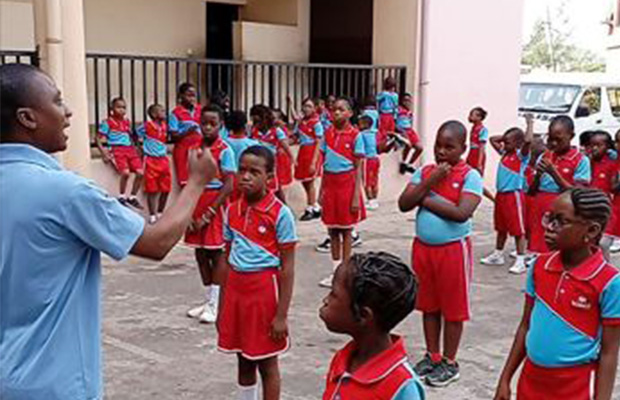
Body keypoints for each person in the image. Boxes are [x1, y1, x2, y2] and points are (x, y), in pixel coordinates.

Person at [0, 63, 216, 400]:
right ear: (28, 118)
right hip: (53, 385)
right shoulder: (66, 192)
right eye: (57, 102)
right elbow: (156, 243)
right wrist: (197, 183)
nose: (69, 112)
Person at [494, 188, 620, 400]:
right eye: (549, 218)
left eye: (561, 221)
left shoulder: (609, 282)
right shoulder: (539, 266)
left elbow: (609, 352)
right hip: (530, 381)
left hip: (572, 387)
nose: (549, 228)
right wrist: (505, 379)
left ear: (591, 231)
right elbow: (526, 325)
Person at [398, 120, 483, 387]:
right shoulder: (426, 171)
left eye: (450, 146)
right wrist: (430, 182)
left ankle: (449, 361)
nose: (442, 151)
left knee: (453, 309)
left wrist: (422, 197)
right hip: (424, 250)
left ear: (463, 148)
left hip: (453, 251)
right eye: (438, 145)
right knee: (429, 305)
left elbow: (461, 213)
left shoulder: (471, 176)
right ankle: (432, 355)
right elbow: (403, 204)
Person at [217, 145, 297, 400]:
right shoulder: (232, 211)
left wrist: (281, 315)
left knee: (267, 363)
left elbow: (288, 268)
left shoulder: (280, 214)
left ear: (270, 178)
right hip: (236, 292)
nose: (246, 177)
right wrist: (221, 307)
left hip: (264, 293)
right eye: (241, 170)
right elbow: (227, 261)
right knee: (243, 357)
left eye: (254, 171)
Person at [319, 252, 425, 400]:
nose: (326, 300)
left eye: (333, 294)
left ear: (363, 315)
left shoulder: (401, 385)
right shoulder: (342, 360)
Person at [185, 105, 236, 323]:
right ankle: (208, 299)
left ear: (220, 125)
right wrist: (188, 211)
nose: (207, 127)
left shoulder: (225, 150)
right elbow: (190, 181)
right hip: (197, 201)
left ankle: (217, 303)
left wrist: (210, 211)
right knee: (200, 253)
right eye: (204, 123)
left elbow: (229, 184)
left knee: (216, 253)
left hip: (215, 204)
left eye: (212, 124)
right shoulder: (194, 150)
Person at [317, 98, 366, 289]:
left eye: (341, 109)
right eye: (334, 109)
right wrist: (322, 191)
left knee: (346, 230)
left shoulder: (356, 136)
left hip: (347, 185)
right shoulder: (327, 134)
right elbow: (324, 165)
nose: (336, 113)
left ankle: (346, 272)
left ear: (350, 113)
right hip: (330, 184)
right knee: (332, 229)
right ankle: (335, 270)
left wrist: (356, 195)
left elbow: (358, 168)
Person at [527, 116, 591, 255]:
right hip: (541, 206)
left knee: (558, 247)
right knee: (539, 247)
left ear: (571, 136)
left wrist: (553, 172)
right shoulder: (545, 156)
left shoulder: (580, 160)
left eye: (558, 139)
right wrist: (538, 175)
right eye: (550, 139)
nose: (554, 143)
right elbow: (532, 191)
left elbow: (577, 193)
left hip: (563, 209)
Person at [480, 115, 533, 274]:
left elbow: (528, 141)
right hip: (501, 195)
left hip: (513, 195)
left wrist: (529, 123)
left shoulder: (520, 156)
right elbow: (492, 139)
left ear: (518, 143)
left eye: (508, 141)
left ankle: (520, 259)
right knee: (501, 227)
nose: (504, 143)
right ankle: (498, 254)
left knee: (518, 229)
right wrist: (506, 137)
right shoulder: (505, 153)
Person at [95, 97, 144, 208]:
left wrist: (137, 148)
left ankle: (132, 197)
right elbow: (97, 138)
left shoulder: (127, 122)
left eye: (124, 107)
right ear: (112, 108)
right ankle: (122, 196)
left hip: (130, 150)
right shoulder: (107, 122)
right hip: (117, 150)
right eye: (119, 107)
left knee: (140, 173)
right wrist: (104, 153)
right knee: (125, 173)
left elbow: (130, 136)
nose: (122, 110)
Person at [250, 104, 295, 203]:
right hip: (258, 163)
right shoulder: (253, 131)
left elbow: (285, 145)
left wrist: (292, 158)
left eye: (258, 121)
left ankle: (284, 209)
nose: (255, 123)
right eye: (254, 121)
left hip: (272, 163)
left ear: (265, 119)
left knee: (275, 189)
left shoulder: (276, 131)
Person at [291, 97, 324, 221]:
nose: (306, 109)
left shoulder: (316, 123)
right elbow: (295, 138)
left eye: (309, 106)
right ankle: (315, 206)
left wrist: (314, 161)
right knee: (303, 180)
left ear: (315, 108)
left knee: (310, 181)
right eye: (305, 106)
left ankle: (310, 207)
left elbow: (318, 142)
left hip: (311, 152)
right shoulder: (300, 123)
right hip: (303, 151)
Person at [585, 130, 617, 259]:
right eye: (592, 145)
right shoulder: (586, 161)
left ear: (608, 147)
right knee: (589, 241)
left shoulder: (612, 164)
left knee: (603, 243)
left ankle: (606, 271)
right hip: (587, 207)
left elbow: (614, 187)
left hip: (604, 208)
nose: (594, 148)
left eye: (599, 145)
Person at [139, 104, 171, 224]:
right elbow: (136, 134)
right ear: (153, 114)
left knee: (166, 188)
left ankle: (160, 212)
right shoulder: (147, 126)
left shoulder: (164, 126)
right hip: (151, 160)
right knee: (151, 189)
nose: (164, 112)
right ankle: (152, 214)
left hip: (163, 159)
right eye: (161, 110)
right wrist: (140, 148)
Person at [169, 82, 202, 187]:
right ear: (181, 96)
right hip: (183, 148)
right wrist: (188, 132)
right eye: (189, 95)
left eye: (194, 95)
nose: (192, 98)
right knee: (185, 182)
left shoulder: (200, 110)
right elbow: (173, 136)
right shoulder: (175, 113)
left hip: (199, 147)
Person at [396, 93, 423, 175]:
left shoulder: (409, 112)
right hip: (402, 130)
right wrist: (400, 131)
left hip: (410, 130)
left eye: (409, 101)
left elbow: (410, 122)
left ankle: (409, 164)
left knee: (419, 148)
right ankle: (403, 162)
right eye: (406, 100)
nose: (408, 103)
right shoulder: (398, 110)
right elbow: (394, 122)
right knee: (408, 145)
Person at [359, 115, 380, 211]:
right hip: (376, 158)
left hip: (367, 159)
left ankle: (370, 200)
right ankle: (375, 199)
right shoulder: (375, 133)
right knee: (375, 180)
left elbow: (360, 148)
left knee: (366, 181)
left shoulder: (362, 134)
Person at [273, 108, 294, 192]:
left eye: (275, 118)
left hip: (281, 157)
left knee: (280, 181)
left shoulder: (282, 130)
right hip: (276, 156)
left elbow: (288, 140)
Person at [465, 106, 489, 176]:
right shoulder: (473, 128)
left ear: (479, 117)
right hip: (471, 153)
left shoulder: (483, 130)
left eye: (472, 115)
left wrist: (479, 163)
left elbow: (482, 147)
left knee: (476, 174)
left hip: (477, 154)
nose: (470, 116)